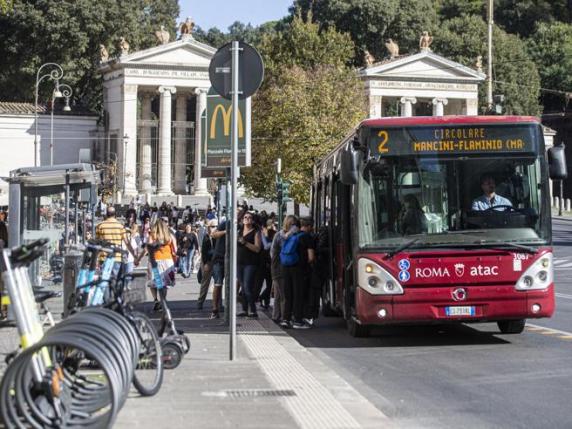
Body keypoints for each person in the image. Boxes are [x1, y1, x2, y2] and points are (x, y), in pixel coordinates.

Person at [135, 219, 177, 311]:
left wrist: (138, 259)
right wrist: (175, 261)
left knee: (154, 282)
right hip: (167, 261)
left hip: (155, 261)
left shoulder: (152, 235)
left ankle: (156, 300)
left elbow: (146, 249)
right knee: (165, 284)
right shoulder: (169, 236)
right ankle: (163, 301)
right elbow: (175, 250)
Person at [95, 206, 136, 274]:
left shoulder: (100, 226)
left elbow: (97, 244)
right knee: (114, 280)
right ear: (115, 214)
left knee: (104, 280)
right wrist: (135, 256)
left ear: (106, 214)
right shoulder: (120, 226)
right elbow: (127, 243)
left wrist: (96, 260)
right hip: (116, 257)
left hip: (104, 257)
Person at [237, 212, 262, 318]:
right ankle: (244, 309)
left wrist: (245, 243)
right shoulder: (239, 231)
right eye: (245, 217)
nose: (247, 219)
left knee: (247, 286)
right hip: (239, 262)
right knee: (242, 286)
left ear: (253, 220)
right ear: (242, 219)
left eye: (249, 217)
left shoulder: (256, 232)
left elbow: (257, 249)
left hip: (250, 263)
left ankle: (253, 310)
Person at [197, 219, 217, 310]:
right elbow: (204, 252)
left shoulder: (218, 236)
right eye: (210, 227)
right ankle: (200, 302)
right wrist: (205, 263)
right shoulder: (206, 236)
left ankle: (217, 304)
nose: (211, 229)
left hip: (217, 262)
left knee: (218, 284)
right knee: (205, 283)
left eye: (213, 227)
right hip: (208, 262)